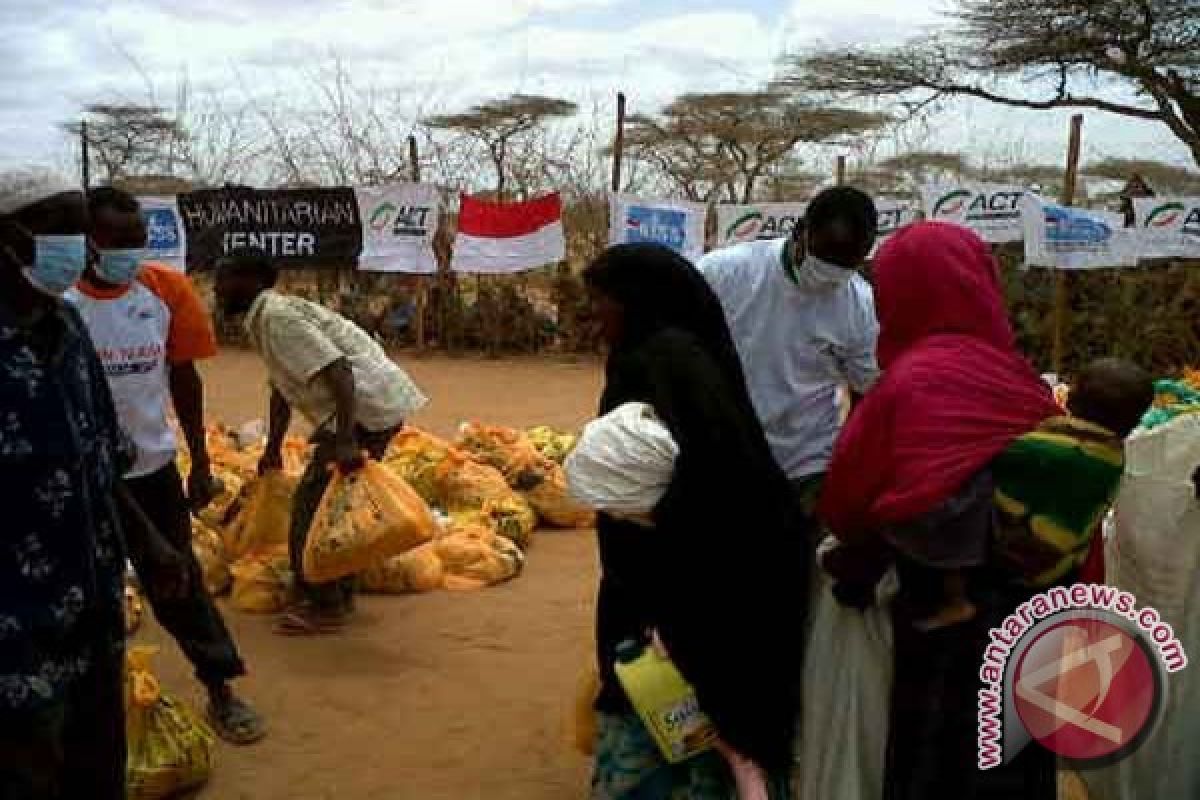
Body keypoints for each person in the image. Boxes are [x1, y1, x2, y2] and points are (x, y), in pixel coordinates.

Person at [818, 221, 1064, 799]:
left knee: (937, 753)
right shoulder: (1021, 380)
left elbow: (847, 500)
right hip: (1027, 609)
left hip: (941, 621)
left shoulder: (908, 383)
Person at [583, 243, 808, 799]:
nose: (596, 318)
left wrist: (653, 603)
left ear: (634, 302)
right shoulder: (694, 359)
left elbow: (677, 494)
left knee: (668, 723)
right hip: (724, 591)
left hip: (679, 596)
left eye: (601, 303)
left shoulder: (652, 366)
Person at [0, 169, 186, 799]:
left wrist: (149, 543)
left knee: (97, 764)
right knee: (27, 768)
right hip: (13, 623)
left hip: (92, 599)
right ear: (9, 238)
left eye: (82, 230)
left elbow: (100, 456)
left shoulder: (68, 330)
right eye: (62, 229)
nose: (77, 246)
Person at [65, 187, 266, 745]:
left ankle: (221, 686)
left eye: (138, 240)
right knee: (88, 593)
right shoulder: (61, 304)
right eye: (117, 241)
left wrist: (200, 459)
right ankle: (94, 712)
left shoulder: (165, 290)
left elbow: (184, 377)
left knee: (178, 579)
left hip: (152, 471)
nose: (131, 251)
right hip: (83, 479)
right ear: (87, 242)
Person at [213, 247, 428, 636]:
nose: (217, 288)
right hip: (367, 409)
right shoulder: (265, 318)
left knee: (314, 509)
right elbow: (282, 388)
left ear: (250, 281)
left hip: (365, 412)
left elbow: (340, 372)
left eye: (224, 278)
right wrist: (272, 447)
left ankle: (325, 603)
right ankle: (337, 592)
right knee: (338, 505)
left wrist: (345, 439)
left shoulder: (277, 318)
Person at [698, 187, 879, 515]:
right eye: (825, 257)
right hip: (720, 457)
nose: (831, 273)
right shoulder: (723, 272)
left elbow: (865, 390)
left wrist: (848, 465)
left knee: (795, 564)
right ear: (800, 233)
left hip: (805, 467)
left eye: (846, 264)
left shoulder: (859, 303)